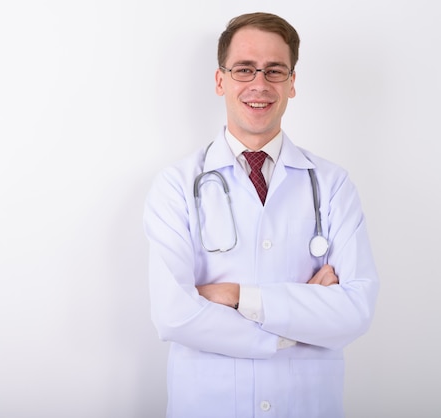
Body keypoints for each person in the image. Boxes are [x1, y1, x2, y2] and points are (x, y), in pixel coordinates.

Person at [143, 12, 379, 418]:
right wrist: (300, 323)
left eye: (274, 71)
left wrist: (236, 297)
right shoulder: (177, 186)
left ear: (291, 83)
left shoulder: (333, 184)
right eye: (244, 70)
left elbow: (355, 312)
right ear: (220, 81)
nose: (259, 84)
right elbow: (174, 316)